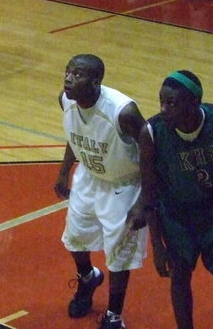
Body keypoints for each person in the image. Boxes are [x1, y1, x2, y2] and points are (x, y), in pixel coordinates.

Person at [55, 54, 148, 329]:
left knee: (118, 255)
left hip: (123, 183)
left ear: (96, 81)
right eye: (68, 71)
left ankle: (114, 316)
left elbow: (149, 149)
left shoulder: (123, 111)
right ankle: (88, 277)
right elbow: (74, 135)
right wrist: (64, 172)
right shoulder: (65, 100)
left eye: (78, 74)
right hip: (89, 176)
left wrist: (144, 200)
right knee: (75, 238)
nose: (69, 78)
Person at [139, 70, 213, 329]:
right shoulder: (152, 132)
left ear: (194, 102)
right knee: (179, 275)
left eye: (171, 102)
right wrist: (157, 245)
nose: (163, 109)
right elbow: (149, 189)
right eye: (161, 102)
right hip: (178, 216)